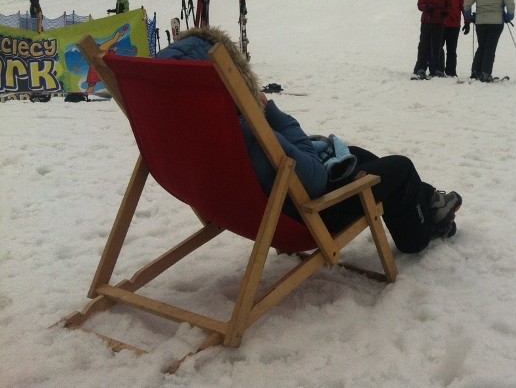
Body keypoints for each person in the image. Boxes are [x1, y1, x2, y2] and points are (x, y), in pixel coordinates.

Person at [157, 26, 462, 252]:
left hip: (242, 206)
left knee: (354, 154)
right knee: (400, 168)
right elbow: (314, 179)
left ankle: (428, 198)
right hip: (305, 214)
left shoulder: (183, 127)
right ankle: (421, 231)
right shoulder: (246, 130)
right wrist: (270, 112)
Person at [463, 0, 515, 82]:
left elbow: (467, 4)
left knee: (482, 46)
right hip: (496, 23)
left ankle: (476, 71)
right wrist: (507, 17)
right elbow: (510, 6)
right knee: (490, 48)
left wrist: (470, 17)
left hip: (480, 22)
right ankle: (486, 73)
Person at [413, 0, 451, 79]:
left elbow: (449, 5)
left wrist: (446, 12)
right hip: (427, 21)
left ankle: (437, 69)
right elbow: (420, 3)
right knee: (424, 44)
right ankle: (421, 67)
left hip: (439, 22)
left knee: (437, 45)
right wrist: (427, 7)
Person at [439, 0, 468, 78]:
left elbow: (465, 8)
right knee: (438, 48)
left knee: (451, 50)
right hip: (440, 25)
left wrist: (467, 22)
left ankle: (451, 71)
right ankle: (439, 69)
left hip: (454, 26)